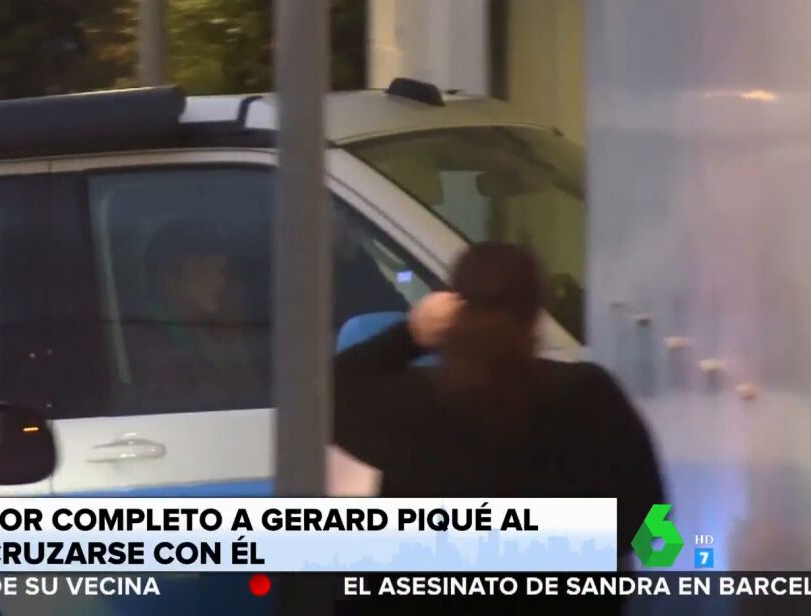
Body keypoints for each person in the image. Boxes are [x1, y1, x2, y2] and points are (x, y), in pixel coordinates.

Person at [331, 242, 664, 612]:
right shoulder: (589, 395)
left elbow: (324, 394)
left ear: (451, 309)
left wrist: (410, 335)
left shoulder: (407, 402)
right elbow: (652, 516)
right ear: (536, 312)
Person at [121, 219, 265, 414]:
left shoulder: (204, 330)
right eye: (206, 268)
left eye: (222, 270)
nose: (221, 281)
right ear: (171, 277)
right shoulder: (148, 343)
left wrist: (234, 341)